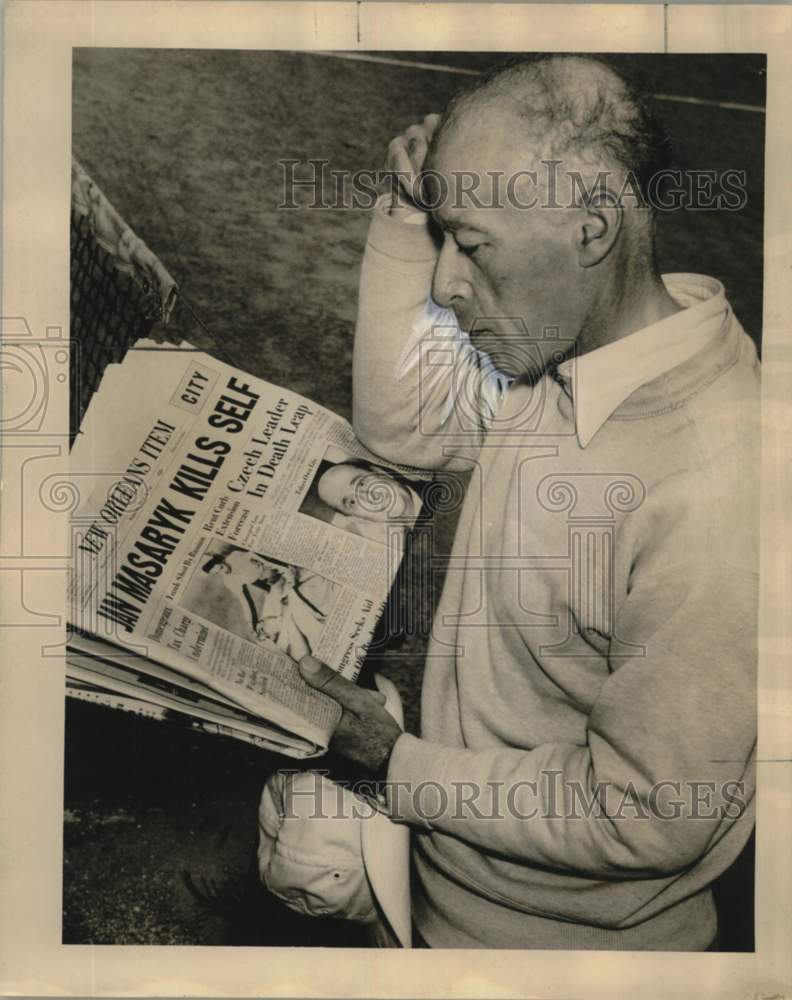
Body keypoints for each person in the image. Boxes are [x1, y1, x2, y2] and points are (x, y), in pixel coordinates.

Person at [297, 55, 759, 950]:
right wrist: (407, 216)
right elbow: (406, 430)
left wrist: (399, 767)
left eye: (470, 246)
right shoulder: (566, 357)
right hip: (451, 879)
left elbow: (647, 814)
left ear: (591, 230)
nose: (443, 284)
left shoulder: (717, 488)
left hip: (549, 952)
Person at [203, 549, 335, 660]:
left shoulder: (236, 556)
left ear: (221, 561)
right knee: (280, 616)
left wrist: (288, 575)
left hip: (283, 569)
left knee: (300, 597)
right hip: (275, 584)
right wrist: (251, 623)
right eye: (218, 573)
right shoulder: (229, 580)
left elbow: (267, 561)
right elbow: (245, 601)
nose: (223, 572)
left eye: (221, 567)